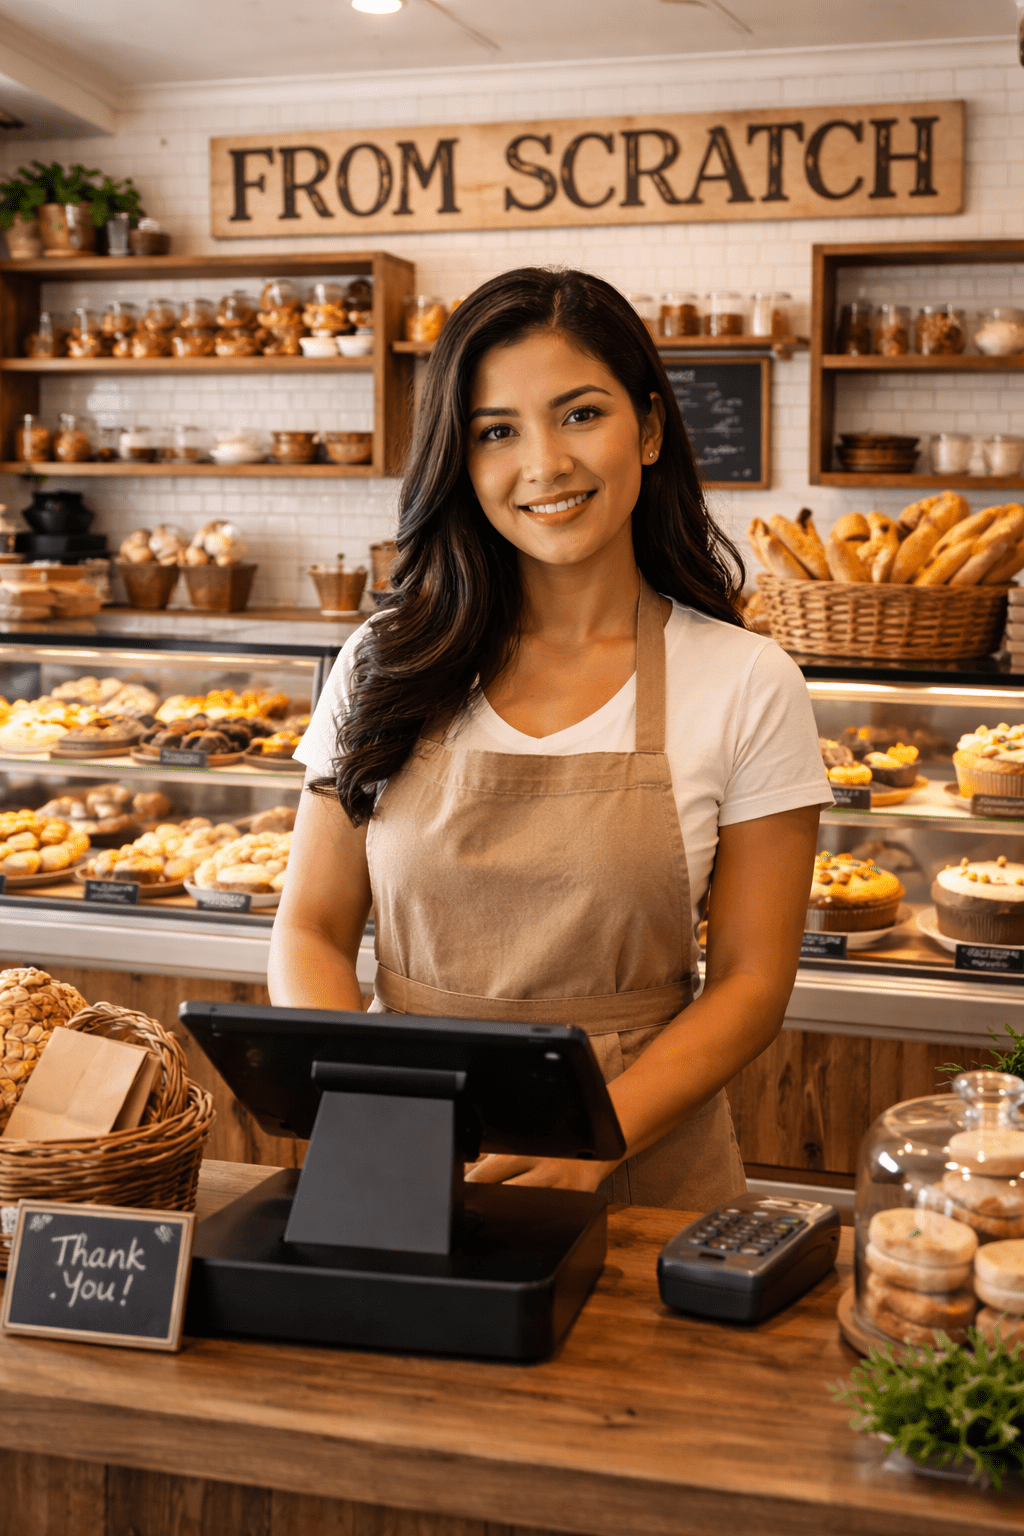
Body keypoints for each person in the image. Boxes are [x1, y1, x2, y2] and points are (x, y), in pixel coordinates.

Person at [270, 267, 831, 1210]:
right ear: (462, 458)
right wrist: (375, 1101)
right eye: (497, 431)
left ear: (648, 429)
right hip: (405, 1146)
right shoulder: (384, 661)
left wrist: (596, 1136)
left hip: (643, 1159)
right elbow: (311, 927)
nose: (545, 464)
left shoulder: (746, 682)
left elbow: (748, 982)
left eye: (579, 415)